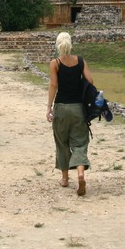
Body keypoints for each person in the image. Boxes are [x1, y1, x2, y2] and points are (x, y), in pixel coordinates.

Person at [46, 31, 93, 196]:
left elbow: (53, 85)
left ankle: (65, 178)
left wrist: (49, 107)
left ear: (58, 45)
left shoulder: (55, 63)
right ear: (70, 43)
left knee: (62, 143)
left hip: (61, 107)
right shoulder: (80, 61)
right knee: (79, 142)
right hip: (78, 108)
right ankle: (80, 173)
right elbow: (90, 81)